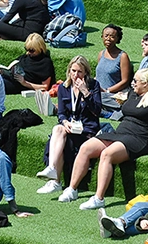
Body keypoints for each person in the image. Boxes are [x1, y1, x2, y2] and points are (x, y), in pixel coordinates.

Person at [58, 67, 148, 209]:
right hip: (120, 133)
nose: (132, 83)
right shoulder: (133, 93)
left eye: (136, 81)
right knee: (86, 147)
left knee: (107, 154)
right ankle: (72, 189)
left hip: (139, 138)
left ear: (145, 83)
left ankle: (99, 198)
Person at [37, 56, 103, 194]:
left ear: (85, 72)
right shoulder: (63, 88)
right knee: (58, 128)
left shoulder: (93, 86)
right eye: (73, 71)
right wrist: (65, 122)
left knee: (61, 139)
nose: (75, 75)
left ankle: (55, 180)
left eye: (79, 71)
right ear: (69, 71)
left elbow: (97, 111)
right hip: (70, 126)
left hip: (87, 129)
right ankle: (53, 171)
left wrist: (85, 92)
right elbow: (61, 113)